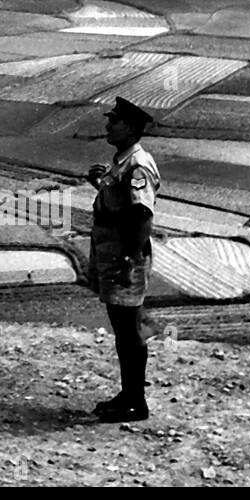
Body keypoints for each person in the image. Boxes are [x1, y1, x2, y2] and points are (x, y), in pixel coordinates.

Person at [85, 96, 159, 422]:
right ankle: (129, 394)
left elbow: (142, 215)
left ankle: (135, 401)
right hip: (114, 252)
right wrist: (100, 184)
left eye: (113, 120)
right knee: (122, 329)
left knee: (129, 331)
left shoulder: (138, 165)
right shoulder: (122, 161)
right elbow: (120, 201)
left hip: (123, 255)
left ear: (129, 128)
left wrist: (129, 259)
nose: (108, 125)